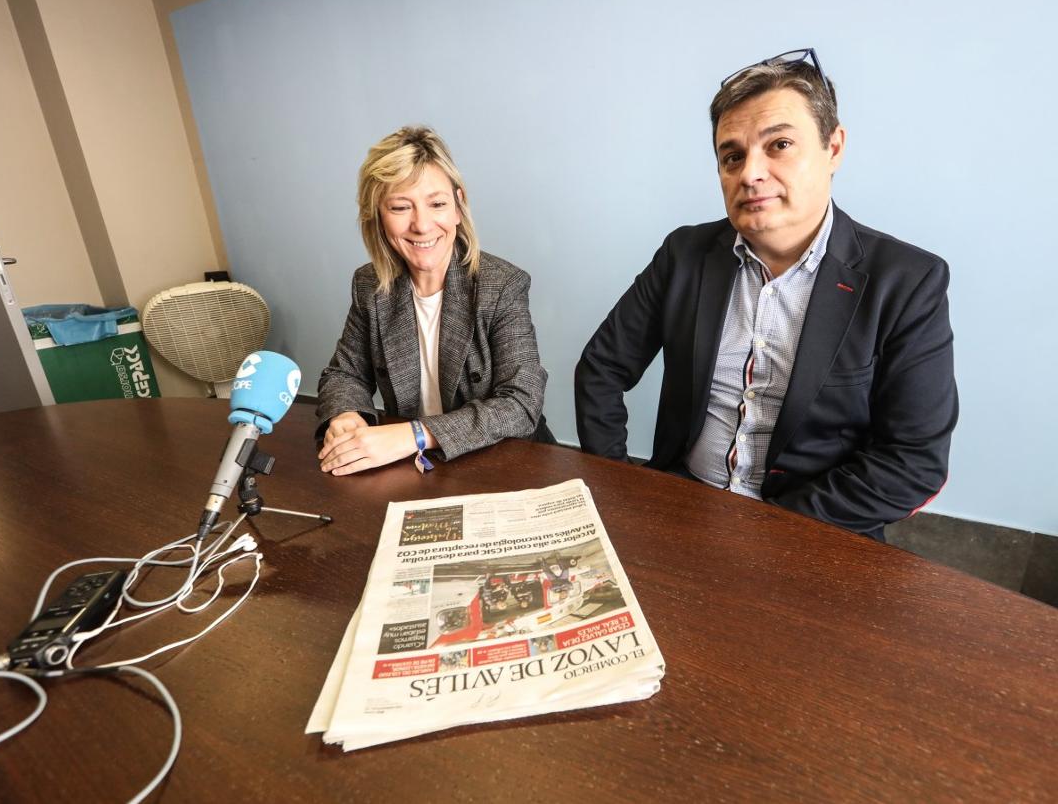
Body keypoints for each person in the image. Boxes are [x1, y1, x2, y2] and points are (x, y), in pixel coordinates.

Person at [574, 49, 958, 541]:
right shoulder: (685, 253)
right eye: (732, 155)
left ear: (833, 148)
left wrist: (768, 530)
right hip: (680, 510)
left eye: (779, 144)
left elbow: (913, 463)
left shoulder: (907, 281)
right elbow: (602, 370)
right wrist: (619, 487)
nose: (750, 173)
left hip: (816, 534)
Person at [317, 126, 550, 475]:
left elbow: (521, 404)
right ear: (378, 215)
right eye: (400, 207)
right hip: (424, 468)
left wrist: (414, 434)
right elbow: (344, 374)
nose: (422, 225)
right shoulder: (369, 285)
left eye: (437, 204)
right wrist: (347, 414)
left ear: (459, 205)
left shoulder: (502, 285)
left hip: (503, 463)